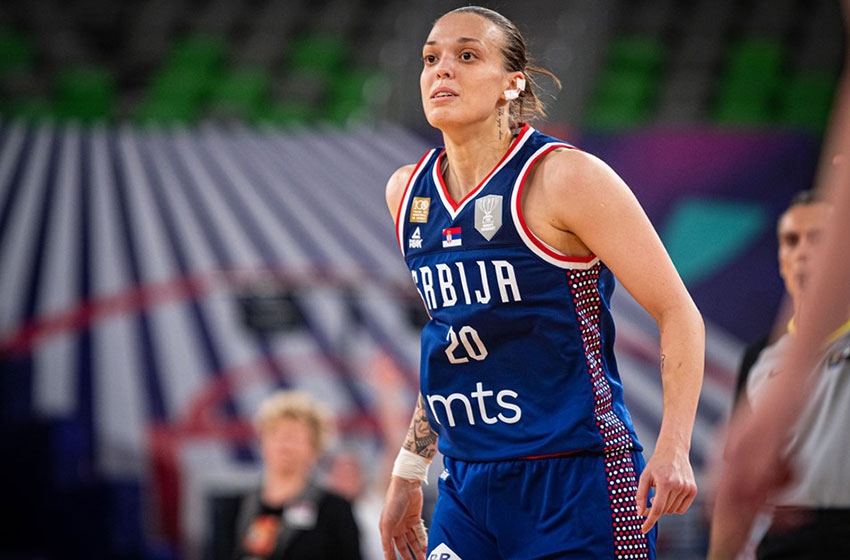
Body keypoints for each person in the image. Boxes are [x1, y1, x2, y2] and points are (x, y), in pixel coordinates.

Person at [378, 6, 705, 560]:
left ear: (513, 83)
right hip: (467, 482)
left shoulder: (565, 177)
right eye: (431, 58)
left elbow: (678, 312)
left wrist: (675, 444)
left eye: (466, 55)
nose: (442, 69)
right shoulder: (407, 193)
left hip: (577, 478)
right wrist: (409, 470)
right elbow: (454, 344)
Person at [708, 2, 850, 557]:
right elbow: (735, 500)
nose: (805, 253)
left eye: (822, 238)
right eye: (792, 240)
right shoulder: (763, 356)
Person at [211, 389, 362, 560]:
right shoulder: (235, 509)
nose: (285, 443)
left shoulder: (335, 510)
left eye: (295, 435)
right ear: (262, 442)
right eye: (276, 433)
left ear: (315, 448)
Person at [732, 191, 832, 414]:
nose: (802, 252)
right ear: (781, 261)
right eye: (792, 241)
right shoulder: (758, 357)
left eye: (817, 238)